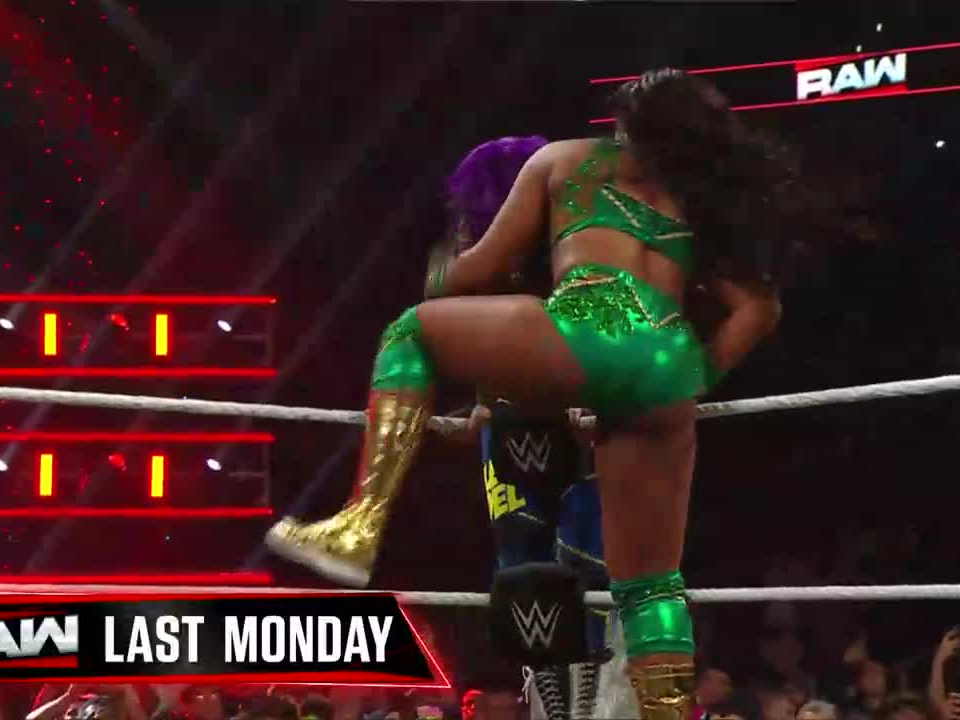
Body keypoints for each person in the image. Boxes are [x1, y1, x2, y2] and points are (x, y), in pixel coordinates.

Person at [269, 67, 846, 718]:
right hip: (668, 361)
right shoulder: (695, 199)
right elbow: (759, 310)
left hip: (590, 326)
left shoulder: (567, 160)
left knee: (411, 335)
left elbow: (478, 271)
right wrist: (693, 379)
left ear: (626, 118)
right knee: (651, 585)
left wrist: (438, 266)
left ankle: (359, 525)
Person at [433, 136, 626, 720]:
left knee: (583, 557)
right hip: (514, 427)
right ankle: (555, 709)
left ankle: (584, 703)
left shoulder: (578, 246)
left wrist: (599, 401)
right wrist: (482, 404)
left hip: (577, 423)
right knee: (523, 570)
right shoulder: (482, 261)